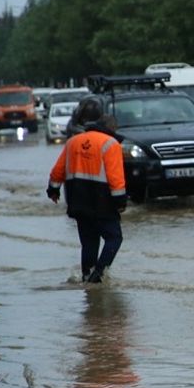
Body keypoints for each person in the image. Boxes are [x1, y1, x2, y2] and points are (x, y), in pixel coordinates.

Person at [47, 99, 126, 284]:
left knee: (89, 241)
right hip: (102, 200)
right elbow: (116, 177)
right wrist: (120, 202)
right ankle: (98, 275)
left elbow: (58, 170)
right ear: (112, 129)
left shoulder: (73, 141)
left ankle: (86, 276)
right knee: (114, 238)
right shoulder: (110, 143)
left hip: (77, 199)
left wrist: (53, 190)